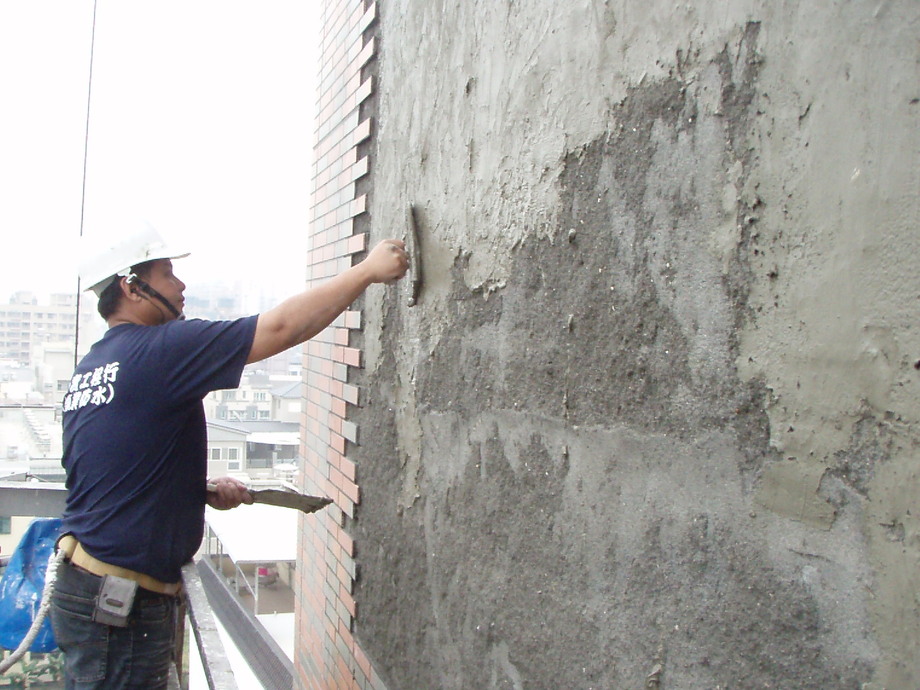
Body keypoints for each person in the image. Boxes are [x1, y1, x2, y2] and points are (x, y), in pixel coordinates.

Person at [51, 220, 408, 688]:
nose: (181, 285)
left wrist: (190, 490)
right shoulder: (162, 349)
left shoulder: (95, 366)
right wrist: (367, 271)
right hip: (119, 606)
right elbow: (281, 327)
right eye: (167, 274)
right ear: (131, 287)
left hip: (92, 586)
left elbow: (110, 465)